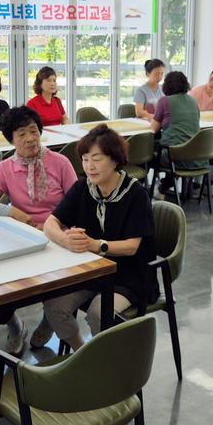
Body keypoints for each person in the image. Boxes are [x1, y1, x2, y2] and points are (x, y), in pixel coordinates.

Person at [0, 106, 78, 353]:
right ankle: (14, 326)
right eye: (21, 134)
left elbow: (78, 203)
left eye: (33, 131)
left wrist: (56, 225)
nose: (30, 138)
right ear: (10, 139)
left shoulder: (60, 162)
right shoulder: (6, 168)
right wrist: (11, 212)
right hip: (24, 237)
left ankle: (49, 319)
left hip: (57, 236)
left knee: (56, 284)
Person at [42, 125, 156, 350]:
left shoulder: (135, 194)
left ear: (115, 160)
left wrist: (96, 245)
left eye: (96, 159)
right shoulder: (83, 187)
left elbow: (132, 247)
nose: (89, 166)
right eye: (85, 159)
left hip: (128, 275)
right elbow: (50, 223)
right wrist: (66, 240)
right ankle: (82, 352)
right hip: (90, 270)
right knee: (54, 305)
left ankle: (106, 363)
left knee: (97, 312)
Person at [150, 71, 202, 196]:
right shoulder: (194, 102)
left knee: (146, 157)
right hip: (197, 156)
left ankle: (146, 191)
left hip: (174, 157)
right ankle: (167, 184)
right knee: (174, 143)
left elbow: (154, 128)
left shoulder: (164, 101)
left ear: (167, 85)